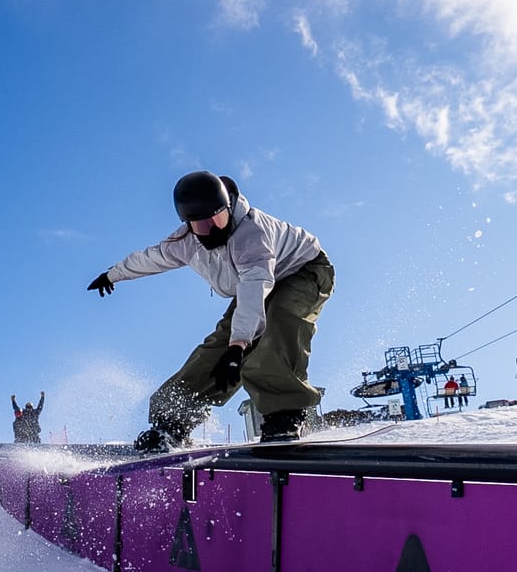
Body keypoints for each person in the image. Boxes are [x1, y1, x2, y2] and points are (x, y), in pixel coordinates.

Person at [87, 171, 333, 451]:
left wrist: (239, 346)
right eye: (202, 226)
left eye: (218, 220)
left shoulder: (252, 233)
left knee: (277, 327)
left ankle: (284, 414)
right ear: (188, 225)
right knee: (216, 352)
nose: (213, 231)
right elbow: (151, 258)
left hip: (303, 271)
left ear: (229, 208)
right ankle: (173, 421)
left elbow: (255, 286)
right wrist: (113, 275)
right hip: (253, 286)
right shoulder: (185, 242)